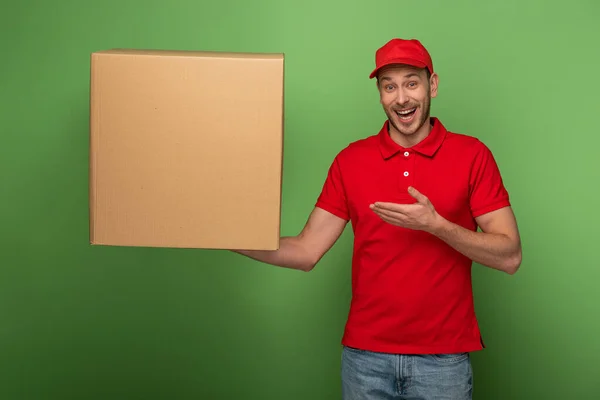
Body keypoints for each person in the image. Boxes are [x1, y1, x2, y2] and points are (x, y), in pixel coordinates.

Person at [234, 38, 522, 400]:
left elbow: (509, 256)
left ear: (432, 85)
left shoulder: (472, 155)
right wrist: (227, 236)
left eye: (411, 83)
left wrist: (437, 225)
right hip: (365, 360)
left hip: (443, 361)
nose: (401, 98)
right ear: (380, 94)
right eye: (389, 86)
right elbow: (306, 251)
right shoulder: (351, 161)